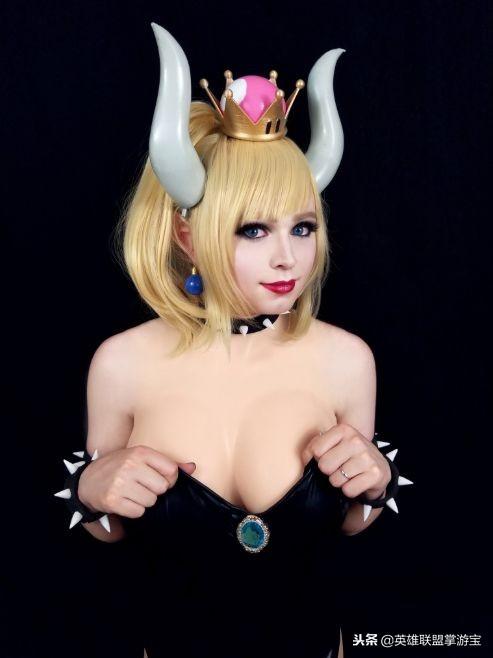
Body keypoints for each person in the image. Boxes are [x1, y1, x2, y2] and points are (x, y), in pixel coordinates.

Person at [55, 23, 412, 658]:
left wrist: (377, 484)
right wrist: (89, 489)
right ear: (187, 236)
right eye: (252, 230)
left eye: (302, 227)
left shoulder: (347, 360)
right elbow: (108, 531)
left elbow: (353, 525)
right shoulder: (121, 364)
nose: (288, 258)